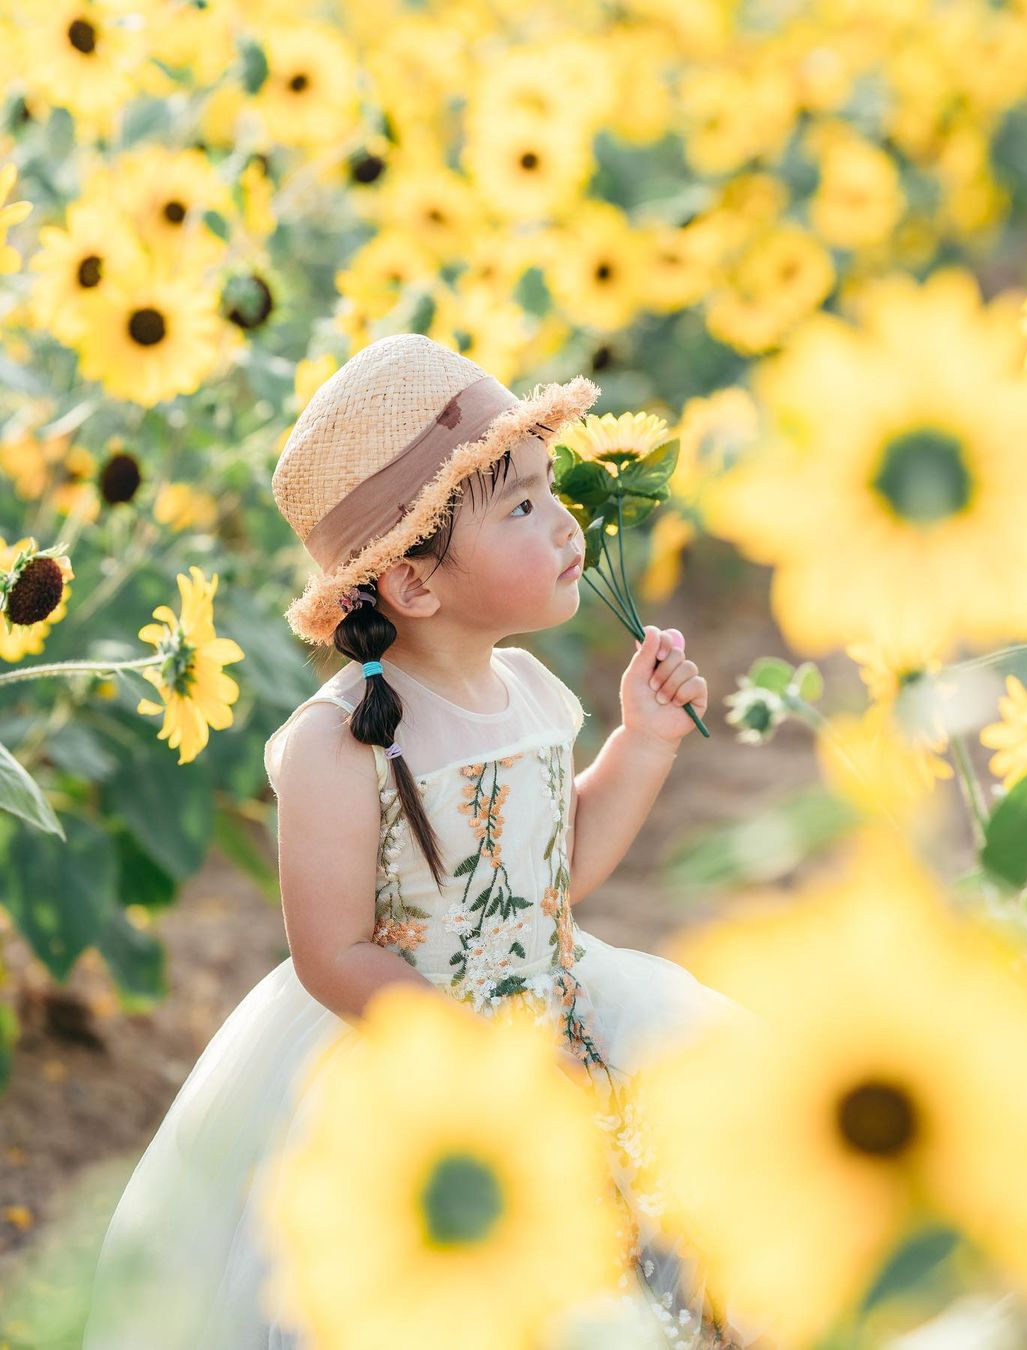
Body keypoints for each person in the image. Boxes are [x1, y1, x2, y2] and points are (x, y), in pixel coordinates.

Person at [82, 333, 759, 1350]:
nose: (563, 520)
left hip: (558, 1014)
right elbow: (333, 952)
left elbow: (556, 865)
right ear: (414, 586)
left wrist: (643, 742)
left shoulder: (527, 688)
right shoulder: (334, 744)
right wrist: (468, 1056)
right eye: (521, 506)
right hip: (420, 1050)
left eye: (548, 486)